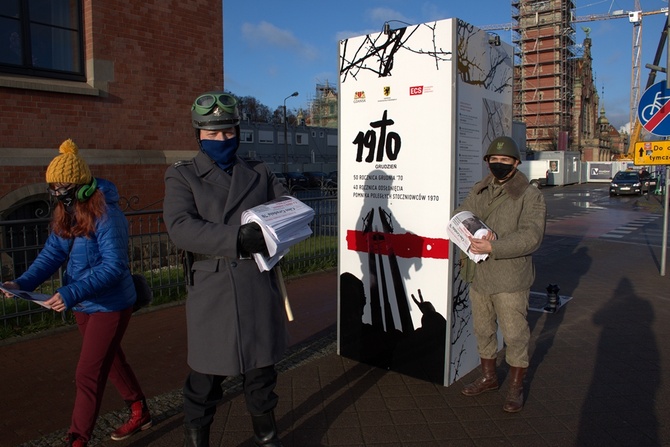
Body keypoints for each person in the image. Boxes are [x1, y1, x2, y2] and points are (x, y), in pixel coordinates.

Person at [1, 139, 152, 446]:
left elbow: (114, 266)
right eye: (53, 187)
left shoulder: (108, 216)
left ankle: (77, 438)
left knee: (87, 373)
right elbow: (51, 254)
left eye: (62, 186)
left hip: (111, 304)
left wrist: (69, 293)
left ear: (82, 185)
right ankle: (140, 411)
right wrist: (22, 284)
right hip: (83, 303)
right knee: (109, 361)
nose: (57, 193)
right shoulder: (65, 214)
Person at [163, 91, 290, 447]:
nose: (222, 139)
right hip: (212, 287)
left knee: (261, 372)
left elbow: (289, 208)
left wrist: (272, 229)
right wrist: (236, 238)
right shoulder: (183, 176)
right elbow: (180, 227)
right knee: (205, 379)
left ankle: (267, 437)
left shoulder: (259, 171)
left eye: (229, 132)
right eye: (213, 133)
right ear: (199, 135)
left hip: (255, 282)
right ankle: (197, 440)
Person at [453, 136, 546, 413]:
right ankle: (489, 377)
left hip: (510, 278)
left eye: (505, 160)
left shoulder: (531, 195)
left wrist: (494, 245)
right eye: (494, 160)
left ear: (516, 163)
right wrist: (471, 231)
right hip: (479, 274)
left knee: (515, 334)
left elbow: (531, 236)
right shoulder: (479, 189)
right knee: (482, 329)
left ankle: (516, 386)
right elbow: (461, 213)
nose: (499, 164)